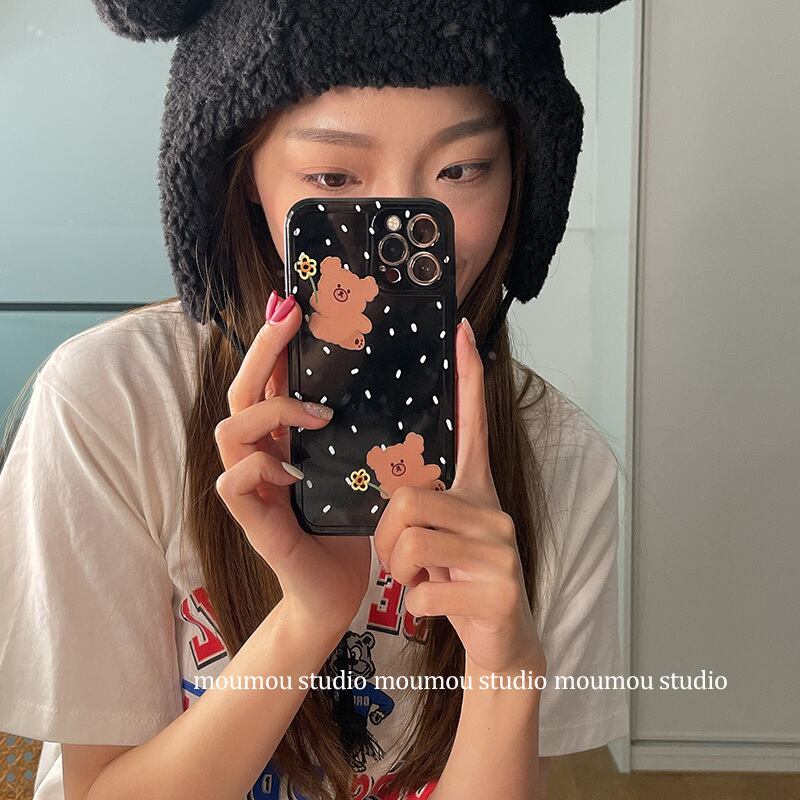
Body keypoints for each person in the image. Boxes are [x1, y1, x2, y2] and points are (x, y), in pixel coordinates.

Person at [0, 1, 630, 798]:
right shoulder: (111, 404)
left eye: (462, 170)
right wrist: (309, 616)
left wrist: (505, 674)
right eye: (333, 178)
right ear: (244, 180)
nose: (397, 227)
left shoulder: (563, 462)